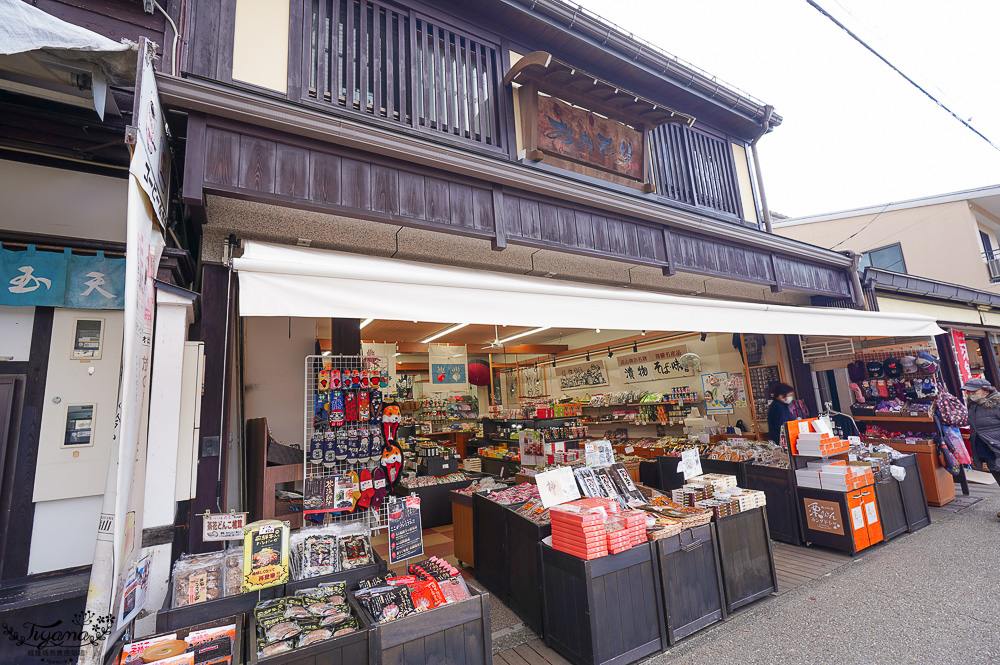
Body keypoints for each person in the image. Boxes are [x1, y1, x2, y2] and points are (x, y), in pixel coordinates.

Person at [963, 378, 1000, 518]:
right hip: (985, 448)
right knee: (997, 476)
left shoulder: (997, 404)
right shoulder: (974, 404)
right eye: (968, 391)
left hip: (997, 447)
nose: (970, 393)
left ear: (985, 391)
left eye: (974, 391)